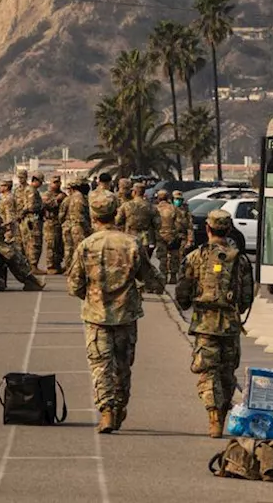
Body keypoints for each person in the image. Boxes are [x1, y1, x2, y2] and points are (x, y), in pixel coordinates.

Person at [68, 190, 165, 434]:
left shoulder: (86, 245)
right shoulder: (131, 243)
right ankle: (119, 407)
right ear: (115, 212)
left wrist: (91, 296)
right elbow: (151, 278)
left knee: (100, 365)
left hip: (96, 315)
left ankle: (106, 411)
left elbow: (74, 284)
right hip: (126, 315)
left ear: (94, 215)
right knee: (122, 366)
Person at [176, 209, 254, 437]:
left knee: (208, 372)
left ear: (208, 229)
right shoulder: (240, 259)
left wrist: (186, 304)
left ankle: (213, 417)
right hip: (230, 326)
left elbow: (183, 290)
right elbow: (247, 296)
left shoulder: (195, 257)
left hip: (204, 325)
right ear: (228, 230)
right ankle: (222, 412)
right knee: (227, 372)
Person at [0, 193, 46, 291]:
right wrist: (3, 226)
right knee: (12, 255)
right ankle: (29, 280)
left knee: (18, 253)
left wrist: (5, 229)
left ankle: (30, 280)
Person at [115, 182, 158, 260]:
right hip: (146, 239)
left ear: (134, 192)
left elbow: (117, 221)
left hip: (129, 237)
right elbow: (158, 224)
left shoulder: (126, 205)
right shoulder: (151, 207)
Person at [59, 178, 91, 272]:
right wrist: (88, 228)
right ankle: (76, 269)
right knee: (78, 248)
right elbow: (81, 216)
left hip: (69, 225)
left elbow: (61, 215)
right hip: (78, 227)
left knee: (69, 248)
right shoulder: (79, 198)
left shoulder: (69, 198)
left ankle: (70, 268)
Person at [154, 190, 185, 283]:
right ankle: (173, 276)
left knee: (162, 257)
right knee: (174, 256)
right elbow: (179, 224)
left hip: (160, 236)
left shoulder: (155, 209)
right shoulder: (174, 209)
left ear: (158, 198)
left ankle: (163, 276)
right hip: (172, 236)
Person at [18, 171, 44, 273]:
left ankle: (32, 265)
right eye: (40, 182)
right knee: (34, 242)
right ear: (36, 181)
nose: (41, 184)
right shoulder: (32, 191)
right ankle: (33, 266)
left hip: (31, 219)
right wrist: (41, 207)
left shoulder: (29, 189)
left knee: (31, 242)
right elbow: (31, 206)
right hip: (33, 219)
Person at [41, 176, 65, 273]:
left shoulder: (63, 194)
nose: (56, 184)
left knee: (59, 245)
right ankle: (50, 266)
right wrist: (57, 200)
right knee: (51, 244)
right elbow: (47, 205)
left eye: (58, 182)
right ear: (50, 183)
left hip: (60, 222)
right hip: (50, 222)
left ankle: (57, 264)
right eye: (54, 182)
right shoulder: (47, 195)